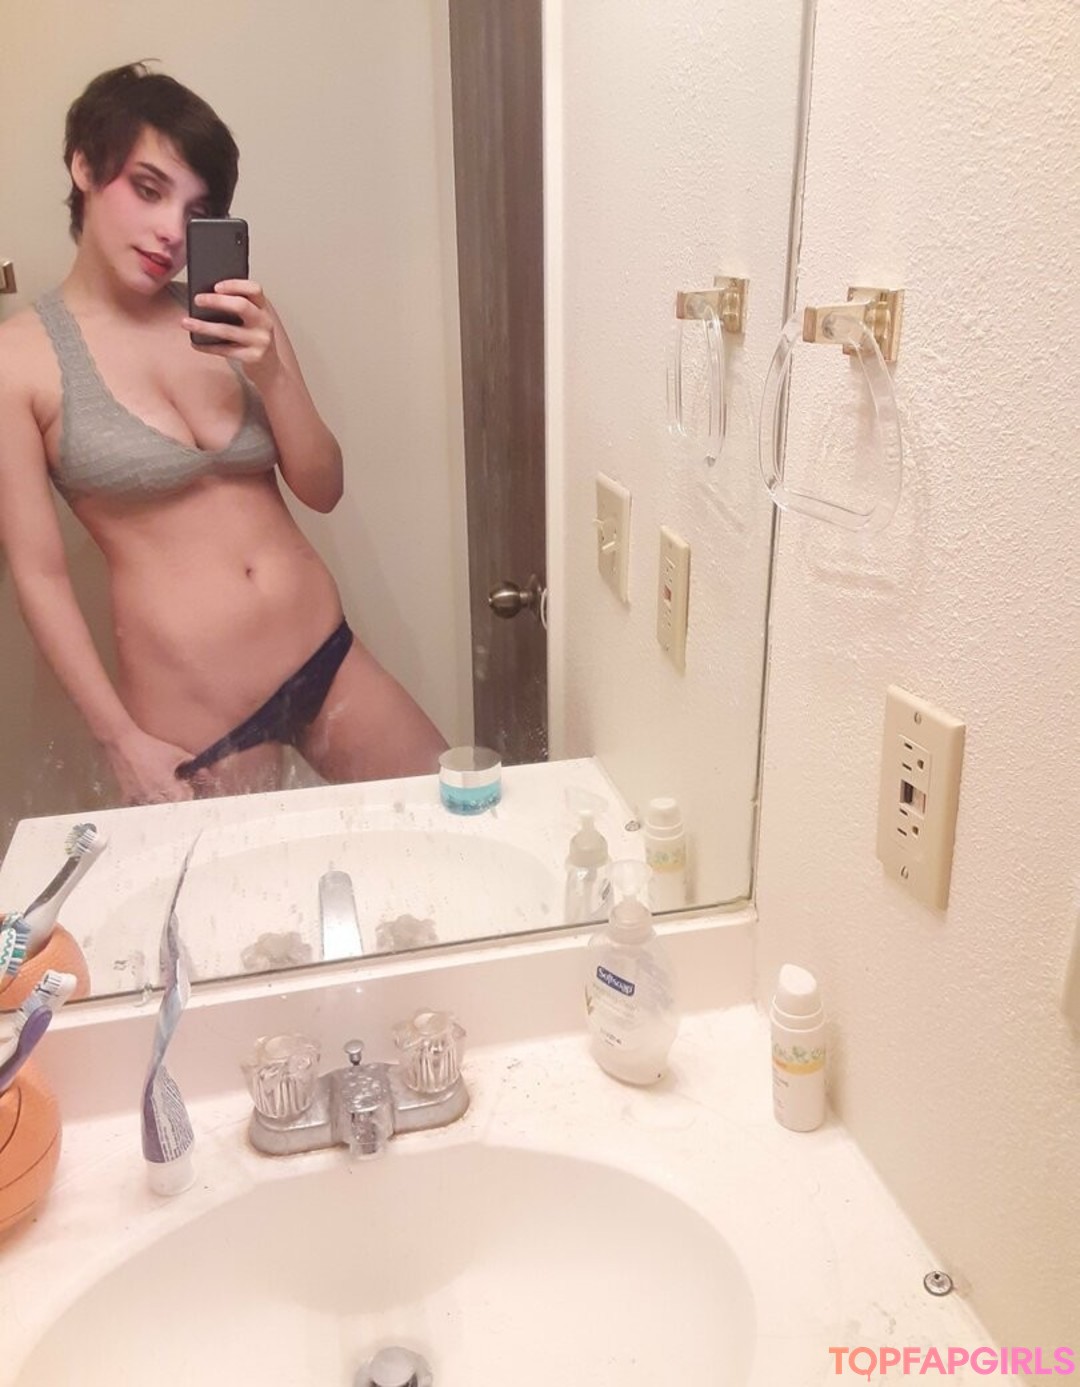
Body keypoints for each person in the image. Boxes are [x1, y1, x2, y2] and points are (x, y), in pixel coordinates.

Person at [0, 63, 447, 805]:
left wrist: (272, 370)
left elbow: (323, 488)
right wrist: (119, 739)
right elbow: (39, 575)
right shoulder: (20, 361)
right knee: (238, 888)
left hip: (326, 656)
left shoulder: (235, 319)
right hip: (196, 713)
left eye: (197, 209)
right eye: (148, 190)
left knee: (456, 824)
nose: (172, 231)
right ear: (83, 166)